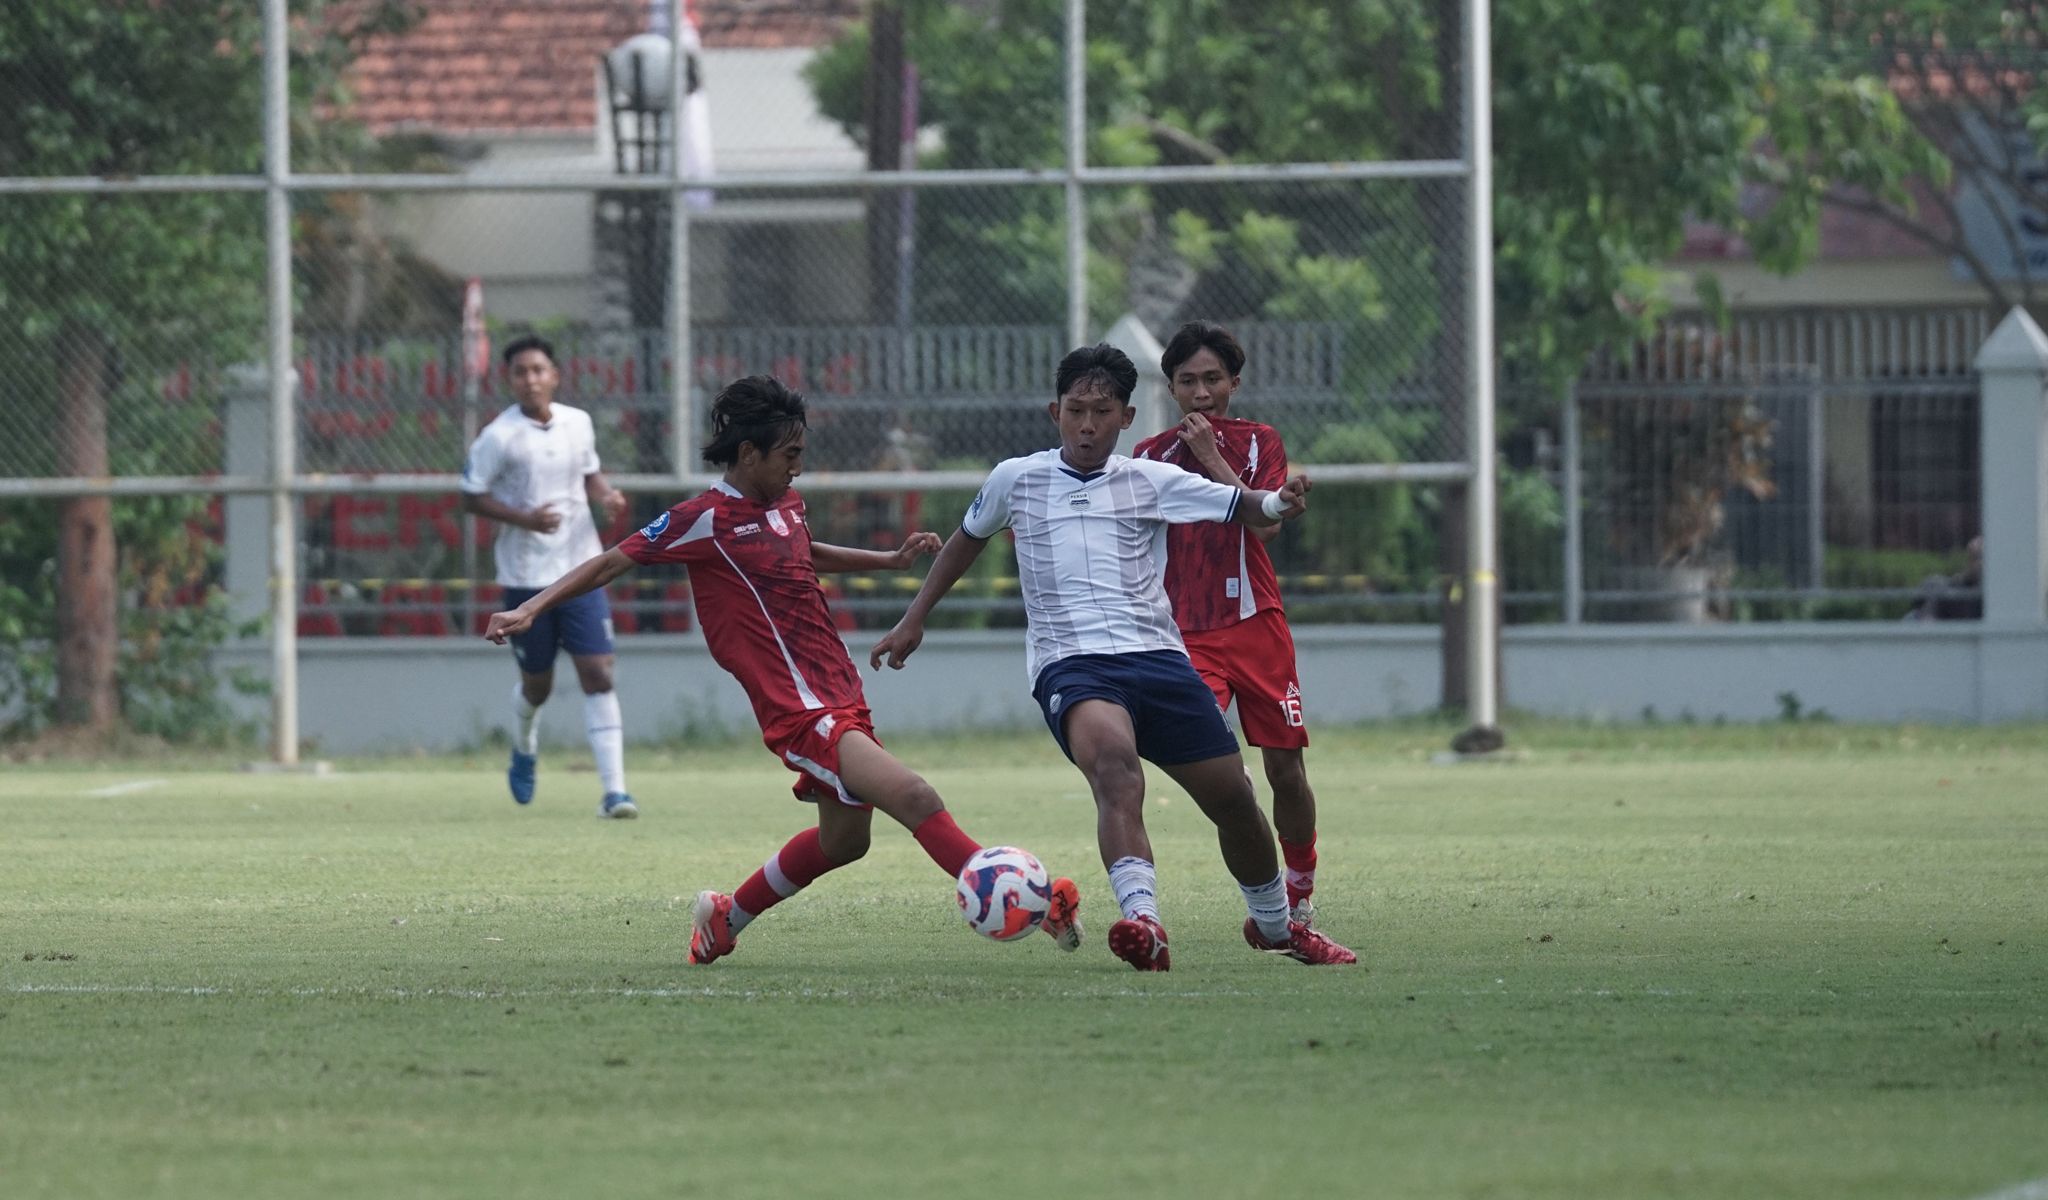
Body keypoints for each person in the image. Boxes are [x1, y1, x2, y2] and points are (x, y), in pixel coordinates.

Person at [484, 375, 1082, 964]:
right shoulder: (704, 518)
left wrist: (887, 560)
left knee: (844, 843)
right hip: (799, 708)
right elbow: (612, 561)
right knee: (914, 795)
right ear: (749, 453)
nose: (798, 466)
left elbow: (803, 547)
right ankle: (1027, 905)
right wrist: (529, 608)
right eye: (790, 454)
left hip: (839, 692)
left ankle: (725, 918)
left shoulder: (786, 505)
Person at [870, 344, 1356, 971]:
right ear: (1055, 412)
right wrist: (914, 619)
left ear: (1127, 418)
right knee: (1116, 770)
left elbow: (1244, 507)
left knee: (1235, 798)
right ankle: (1143, 922)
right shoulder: (1015, 478)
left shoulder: (1150, 479)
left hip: (1158, 658)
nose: (1088, 425)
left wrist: (1279, 502)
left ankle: (1273, 926)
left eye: (1102, 412)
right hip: (1072, 664)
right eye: (1076, 410)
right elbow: (967, 540)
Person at [1130, 321, 1326, 928]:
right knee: (1217, 770)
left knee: (1285, 771)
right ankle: (1260, 898)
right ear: (1171, 388)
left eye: (1212, 378)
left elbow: (1265, 526)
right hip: (1185, 635)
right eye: (1187, 381)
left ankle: (1300, 888)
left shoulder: (1258, 441)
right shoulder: (1147, 456)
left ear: (1234, 382)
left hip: (1254, 624)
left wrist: (1212, 455)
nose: (1201, 392)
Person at [460, 334, 636, 818]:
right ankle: (524, 745)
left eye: (539, 370)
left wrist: (606, 494)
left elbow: (590, 473)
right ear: (510, 380)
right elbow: (470, 496)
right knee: (537, 685)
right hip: (526, 576)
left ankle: (615, 792)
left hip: (583, 567)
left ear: (555, 375)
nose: (531, 379)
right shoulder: (499, 436)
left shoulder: (578, 423)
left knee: (598, 674)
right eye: (521, 372)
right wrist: (525, 518)